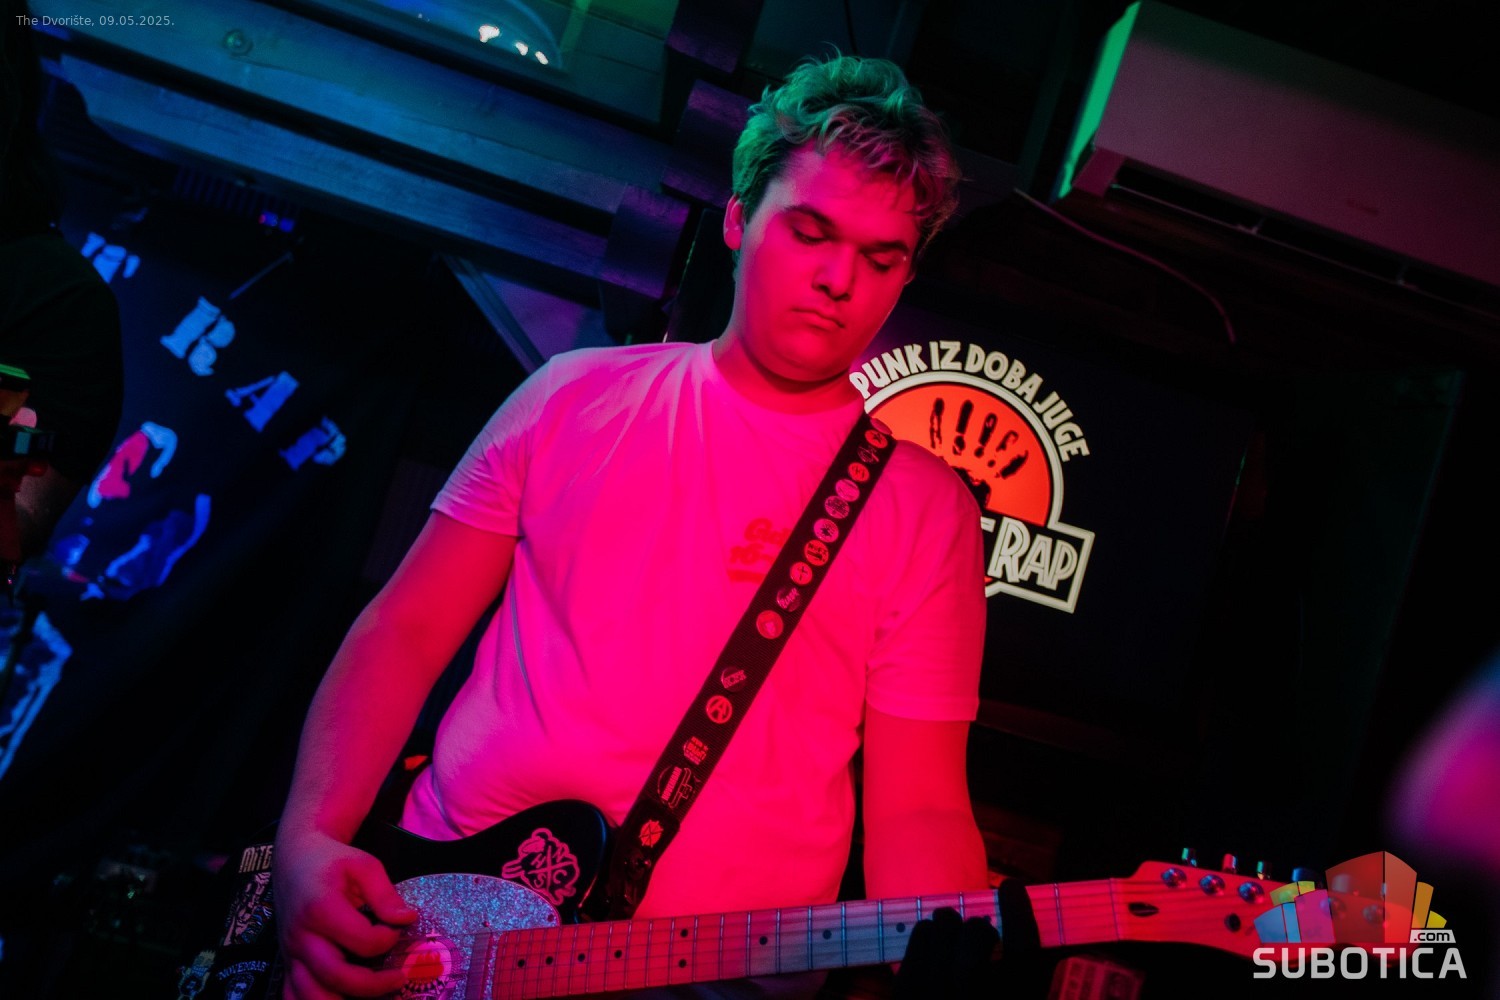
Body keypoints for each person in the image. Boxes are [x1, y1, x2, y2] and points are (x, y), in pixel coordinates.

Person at [272, 53, 991, 1000]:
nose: (837, 278)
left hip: (724, 979)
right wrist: (309, 840)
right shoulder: (572, 397)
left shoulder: (924, 509)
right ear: (738, 220)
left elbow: (919, 803)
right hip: (446, 916)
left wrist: (949, 967)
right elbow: (405, 629)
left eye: (880, 257)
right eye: (810, 231)